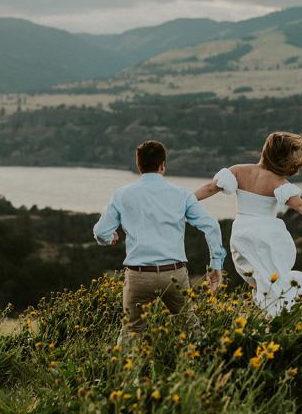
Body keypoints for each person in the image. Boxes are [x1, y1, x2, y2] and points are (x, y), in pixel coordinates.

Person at [194, 131, 302, 317]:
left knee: (261, 280)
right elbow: (300, 205)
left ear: (265, 150)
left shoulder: (238, 171)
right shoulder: (278, 182)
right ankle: (277, 317)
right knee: (273, 279)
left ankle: (268, 316)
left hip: (242, 233)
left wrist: (185, 201)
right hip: (268, 234)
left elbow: (210, 188)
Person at [93, 140, 225, 345]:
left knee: (131, 332)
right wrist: (216, 265)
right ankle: (205, 369)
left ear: (139, 165)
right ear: (163, 165)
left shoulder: (122, 194)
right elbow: (212, 226)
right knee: (191, 328)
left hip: (138, 275)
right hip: (173, 274)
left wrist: (109, 238)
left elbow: (100, 231)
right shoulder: (182, 195)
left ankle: (124, 376)